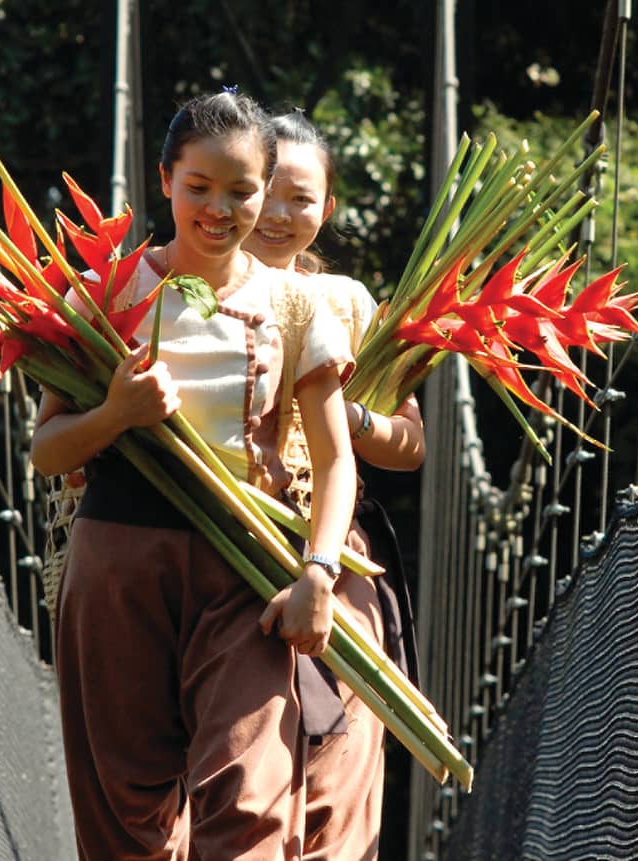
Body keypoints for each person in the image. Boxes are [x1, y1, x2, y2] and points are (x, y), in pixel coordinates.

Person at [31, 90, 359, 860]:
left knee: (253, 802)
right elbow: (48, 449)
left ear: (266, 187)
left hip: (247, 573)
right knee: (124, 821)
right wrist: (116, 412)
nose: (221, 208)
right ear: (165, 180)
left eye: (243, 190)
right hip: (117, 568)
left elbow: (337, 455)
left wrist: (319, 569)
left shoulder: (298, 302)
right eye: (199, 187)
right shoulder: (105, 292)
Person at [244, 108, 427, 861]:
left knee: (339, 779)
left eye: (304, 197)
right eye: (268, 192)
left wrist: (342, 417)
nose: (282, 216)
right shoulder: (185, 292)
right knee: (242, 778)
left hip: (334, 557)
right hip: (226, 545)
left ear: (330, 206)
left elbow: (410, 446)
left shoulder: (350, 303)